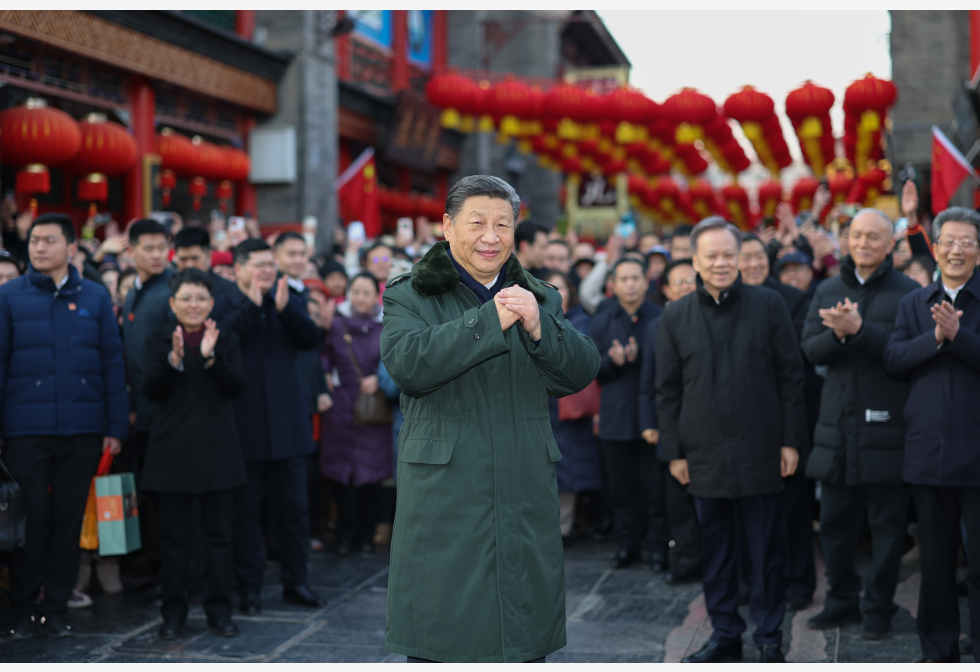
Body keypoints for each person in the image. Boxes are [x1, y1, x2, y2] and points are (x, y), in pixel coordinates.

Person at [380, 175, 600, 662]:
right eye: (476, 223)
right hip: (447, 489)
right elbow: (408, 365)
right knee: (444, 626)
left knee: (521, 625)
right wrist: (488, 321)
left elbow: (583, 370)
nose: (491, 236)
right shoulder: (410, 294)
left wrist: (542, 329)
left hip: (523, 480)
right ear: (447, 226)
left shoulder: (536, 295)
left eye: (503, 224)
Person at [657, 217, 807, 663]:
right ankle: (725, 633)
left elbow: (791, 378)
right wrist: (674, 452)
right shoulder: (676, 314)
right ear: (695, 260)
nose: (721, 263)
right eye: (711, 256)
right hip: (701, 451)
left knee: (766, 549)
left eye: (728, 254)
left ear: (739, 257)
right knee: (716, 551)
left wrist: (790, 441)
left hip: (762, 446)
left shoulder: (769, 304)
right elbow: (666, 389)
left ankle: (768, 635)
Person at [0, 213, 128, 639]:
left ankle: (54, 607)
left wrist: (114, 426)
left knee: (68, 521)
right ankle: (22, 607)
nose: (38, 248)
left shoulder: (94, 296)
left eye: (48, 240)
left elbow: (113, 364)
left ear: (70, 247)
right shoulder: (9, 297)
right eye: (34, 240)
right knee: (30, 521)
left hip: (82, 429)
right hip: (25, 428)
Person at [800, 209, 919, 640]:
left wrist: (860, 329)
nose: (863, 243)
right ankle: (841, 600)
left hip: (887, 429)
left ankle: (879, 608)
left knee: (887, 527)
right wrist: (838, 335)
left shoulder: (909, 292)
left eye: (874, 236)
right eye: (856, 235)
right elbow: (810, 349)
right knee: (833, 523)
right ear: (845, 241)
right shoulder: (828, 288)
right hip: (836, 428)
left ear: (891, 245)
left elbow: (908, 354)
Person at [884, 206, 980, 663]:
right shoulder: (912, 303)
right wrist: (936, 339)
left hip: (978, 452)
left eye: (967, 242)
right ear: (935, 249)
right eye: (950, 241)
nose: (957, 249)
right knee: (937, 563)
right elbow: (895, 361)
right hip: (928, 452)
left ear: (978, 252)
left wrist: (959, 335)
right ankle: (939, 650)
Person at [211, 239, 324, 613]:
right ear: (239, 267)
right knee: (247, 517)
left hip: (289, 430)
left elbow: (312, 339)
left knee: (295, 512)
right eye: (258, 264)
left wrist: (284, 310)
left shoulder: (287, 299)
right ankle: (249, 589)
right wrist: (254, 306)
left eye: (269, 264)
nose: (266, 271)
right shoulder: (224, 303)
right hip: (244, 432)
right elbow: (222, 341)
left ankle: (297, 582)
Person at [141, 268, 247, 640]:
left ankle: (221, 611)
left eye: (200, 298)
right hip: (172, 455)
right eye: (186, 298)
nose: (193, 305)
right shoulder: (158, 340)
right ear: (173, 303)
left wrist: (209, 358)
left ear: (211, 303)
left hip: (217, 452)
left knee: (220, 539)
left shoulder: (226, 338)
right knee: (174, 543)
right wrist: (174, 362)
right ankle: (173, 614)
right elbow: (150, 390)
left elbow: (237, 387)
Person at [739, 232, 815, 610]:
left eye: (758, 256)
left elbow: (794, 363)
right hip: (739, 423)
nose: (752, 263)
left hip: (784, 415)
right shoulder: (726, 300)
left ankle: (799, 581)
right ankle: (751, 580)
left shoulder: (791, 298)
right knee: (745, 509)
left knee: (792, 506)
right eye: (744, 257)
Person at [590, 257, 668, 570]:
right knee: (621, 491)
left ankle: (659, 548)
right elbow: (591, 368)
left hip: (652, 419)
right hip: (615, 418)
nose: (631, 284)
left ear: (647, 280)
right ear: (613, 285)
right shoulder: (603, 319)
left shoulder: (660, 318)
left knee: (655, 490)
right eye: (624, 279)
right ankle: (627, 546)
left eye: (636, 278)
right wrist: (613, 361)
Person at [320, 272, 392, 555]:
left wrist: (379, 378)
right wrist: (324, 376)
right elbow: (324, 355)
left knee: (372, 474)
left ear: (376, 295)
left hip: (373, 408)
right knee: (343, 474)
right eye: (356, 292)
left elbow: (393, 358)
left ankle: (365, 533)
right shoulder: (336, 324)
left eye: (366, 292)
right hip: (341, 406)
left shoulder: (386, 324)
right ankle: (345, 534)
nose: (360, 298)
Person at [639, 258, 701, 585]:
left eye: (692, 279)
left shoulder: (710, 318)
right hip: (672, 424)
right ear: (664, 290)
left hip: (707, 425)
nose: (687, 286)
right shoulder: (656, 327)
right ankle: (686, 560)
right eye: (679, 282)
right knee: (676, 500)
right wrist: (650, 423)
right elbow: (650, 381)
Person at [120, 218, 171, 575]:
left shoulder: (172, 291)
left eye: (161, 248)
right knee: (148, 494)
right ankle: (155, 566)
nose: (156, 255)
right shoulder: (132, 293)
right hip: (141, 412)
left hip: (168, 412)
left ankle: (174, 572)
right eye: (148, 248)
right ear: (130, 251)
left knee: (168, 498)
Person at [542, 271, 602, 540]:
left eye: (561, 287)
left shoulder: (579, 321)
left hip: (568, 407)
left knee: (569, 469)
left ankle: (563, 528)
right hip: (541, 406)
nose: (556, 293)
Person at [172, 226, 237, 296]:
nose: (189, 265)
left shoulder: (229, 290)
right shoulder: (167, 288)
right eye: (183, 259)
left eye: (195, 258)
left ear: (209, 255)